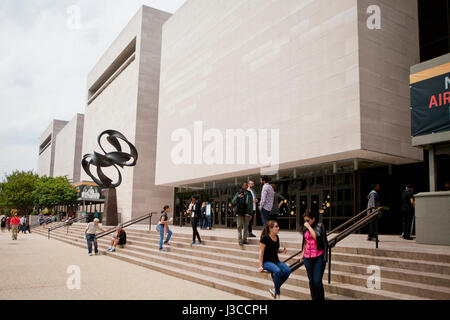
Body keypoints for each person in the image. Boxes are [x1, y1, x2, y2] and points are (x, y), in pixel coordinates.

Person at [298, 211, 328, 301]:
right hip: (308, 257)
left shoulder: (320, 226)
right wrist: (302, 255)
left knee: (317, 281)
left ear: (313, 219)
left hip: (319, 256)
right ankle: (314, 298)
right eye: (304, 220)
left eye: (308, 219)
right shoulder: (305, 228)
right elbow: (305, 242)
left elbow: (317, 237)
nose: (306, 222)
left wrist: (309, 227)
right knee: (311, 281)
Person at [258, 220, 290, 299]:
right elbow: (261, 252)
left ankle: (275, 289)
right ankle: (277, 293)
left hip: (276, 261)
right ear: (270, 229)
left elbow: (275, 250)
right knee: (278, 271)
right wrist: (260, 266)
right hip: (267, 262)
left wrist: (282, 250)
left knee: (288, 270)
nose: (278, 228)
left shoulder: (277, 237)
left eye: (278, 226)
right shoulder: (265, 238)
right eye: (276, 227)